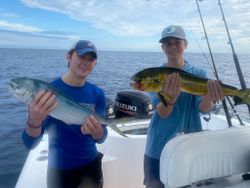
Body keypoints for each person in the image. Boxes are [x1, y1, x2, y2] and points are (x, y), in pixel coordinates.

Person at [143, 25, 225, 188]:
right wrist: (170, 100)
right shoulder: (155, 75)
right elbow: (163, 113)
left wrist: (210, 97)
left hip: (188, 146)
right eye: (168, 43)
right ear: (163, 48)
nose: (172, 47)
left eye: (177, 42)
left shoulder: (199, 74)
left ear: (185, 44)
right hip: (158, 146)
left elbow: (202, 108)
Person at [22, 40, 107, 188]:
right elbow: (30, 143)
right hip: (59, 172)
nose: (86, 62)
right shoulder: (47, 93)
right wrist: (33, 121)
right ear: (68, 57)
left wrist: (98, 132)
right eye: (81, 56)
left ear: (95, 64)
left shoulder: (97, 94)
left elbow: (101, 138)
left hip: (91, 166)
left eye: (91, 59)